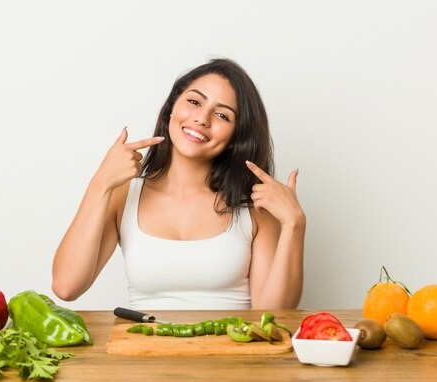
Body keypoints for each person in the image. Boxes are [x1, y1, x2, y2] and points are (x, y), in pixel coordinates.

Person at [52, 58, 306, 310]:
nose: (202, 119)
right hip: (145, 350)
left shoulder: (255, 205)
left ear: (235, 137)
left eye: (222, 115)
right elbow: (66, 287)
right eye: (194, 102)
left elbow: (276, 315)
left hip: (229, 351)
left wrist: (294, 223)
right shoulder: (123, 195)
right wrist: (100, 183)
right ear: (171, 108)